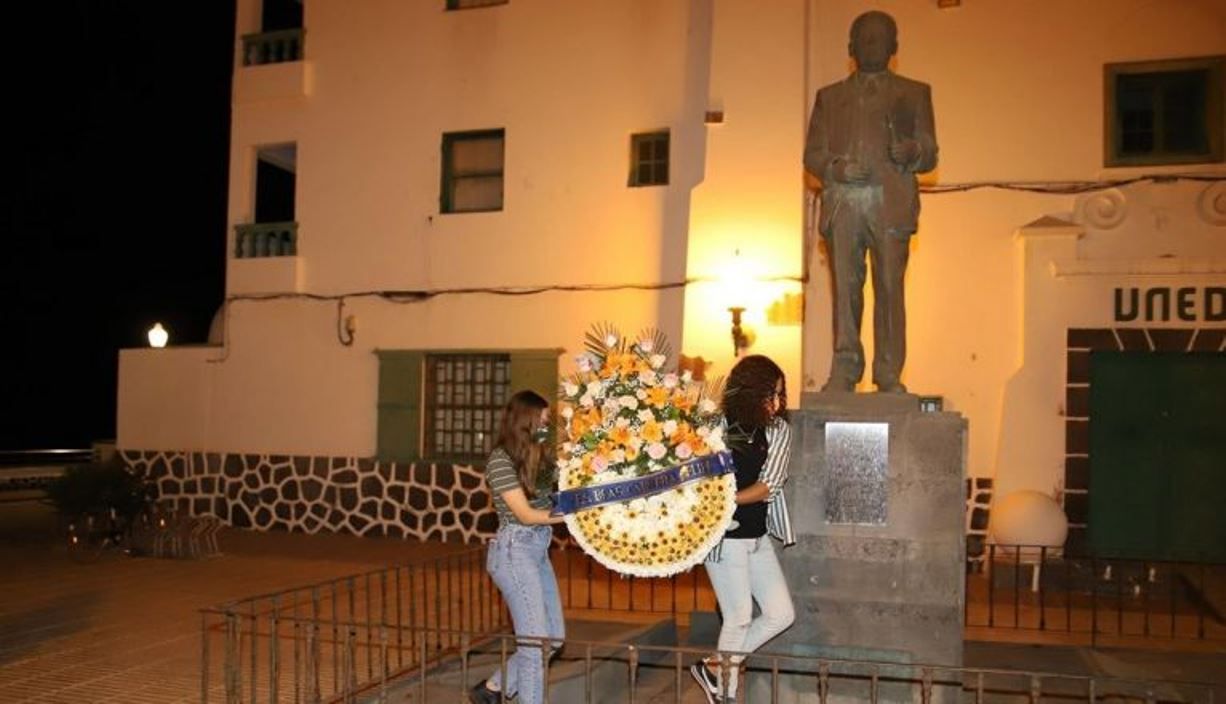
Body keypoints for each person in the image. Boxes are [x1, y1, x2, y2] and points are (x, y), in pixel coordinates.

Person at [803, 10, 938, 393]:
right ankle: (845, 369)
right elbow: (812, 153)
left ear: (894, 48)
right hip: (845, 202)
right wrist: (836, 168)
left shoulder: (914, 93)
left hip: (890, 204)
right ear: (851, 47)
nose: (872, 45)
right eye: (865, 39)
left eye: (880, 39)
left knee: (890, 289)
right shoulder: (830, 98)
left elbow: (930, 152)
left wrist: (913, 149)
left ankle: (888, 371)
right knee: (845, 290)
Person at [691, 355, 796, 704]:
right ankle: (726, 694)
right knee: (737, 618)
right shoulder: (716, 425)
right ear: (751, 391)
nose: (777, 402)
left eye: (780, 394)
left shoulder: (778, 430)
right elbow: (697, 474)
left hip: (756, 536)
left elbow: (770, 485)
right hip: (723, 539)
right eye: (771, 393)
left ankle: (714, 666)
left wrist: (727, 499)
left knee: (781, 614)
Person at [470, 390, 567, 704]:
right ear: (527, 418)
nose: (546, 424)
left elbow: (564, 485)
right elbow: (524, 514)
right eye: (543, 418)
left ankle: (493, 689)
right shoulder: (500, 460)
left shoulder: (539, 456)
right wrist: (570, 515)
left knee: (553, 637)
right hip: (515, 551)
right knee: (536, 644)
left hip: (537, 548)